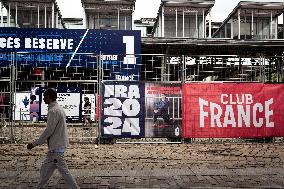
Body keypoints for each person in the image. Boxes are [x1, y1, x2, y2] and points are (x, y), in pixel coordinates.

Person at [27, 88, 79, 189]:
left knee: (64, 172)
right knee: (45, 169)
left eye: (44, 96)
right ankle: (39, 187)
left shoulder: (53, 111)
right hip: (56, 146)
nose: (43, 99)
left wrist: (34, 143)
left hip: (56, 147)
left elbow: (49, 130)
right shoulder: (58, 108)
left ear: (48, 97)